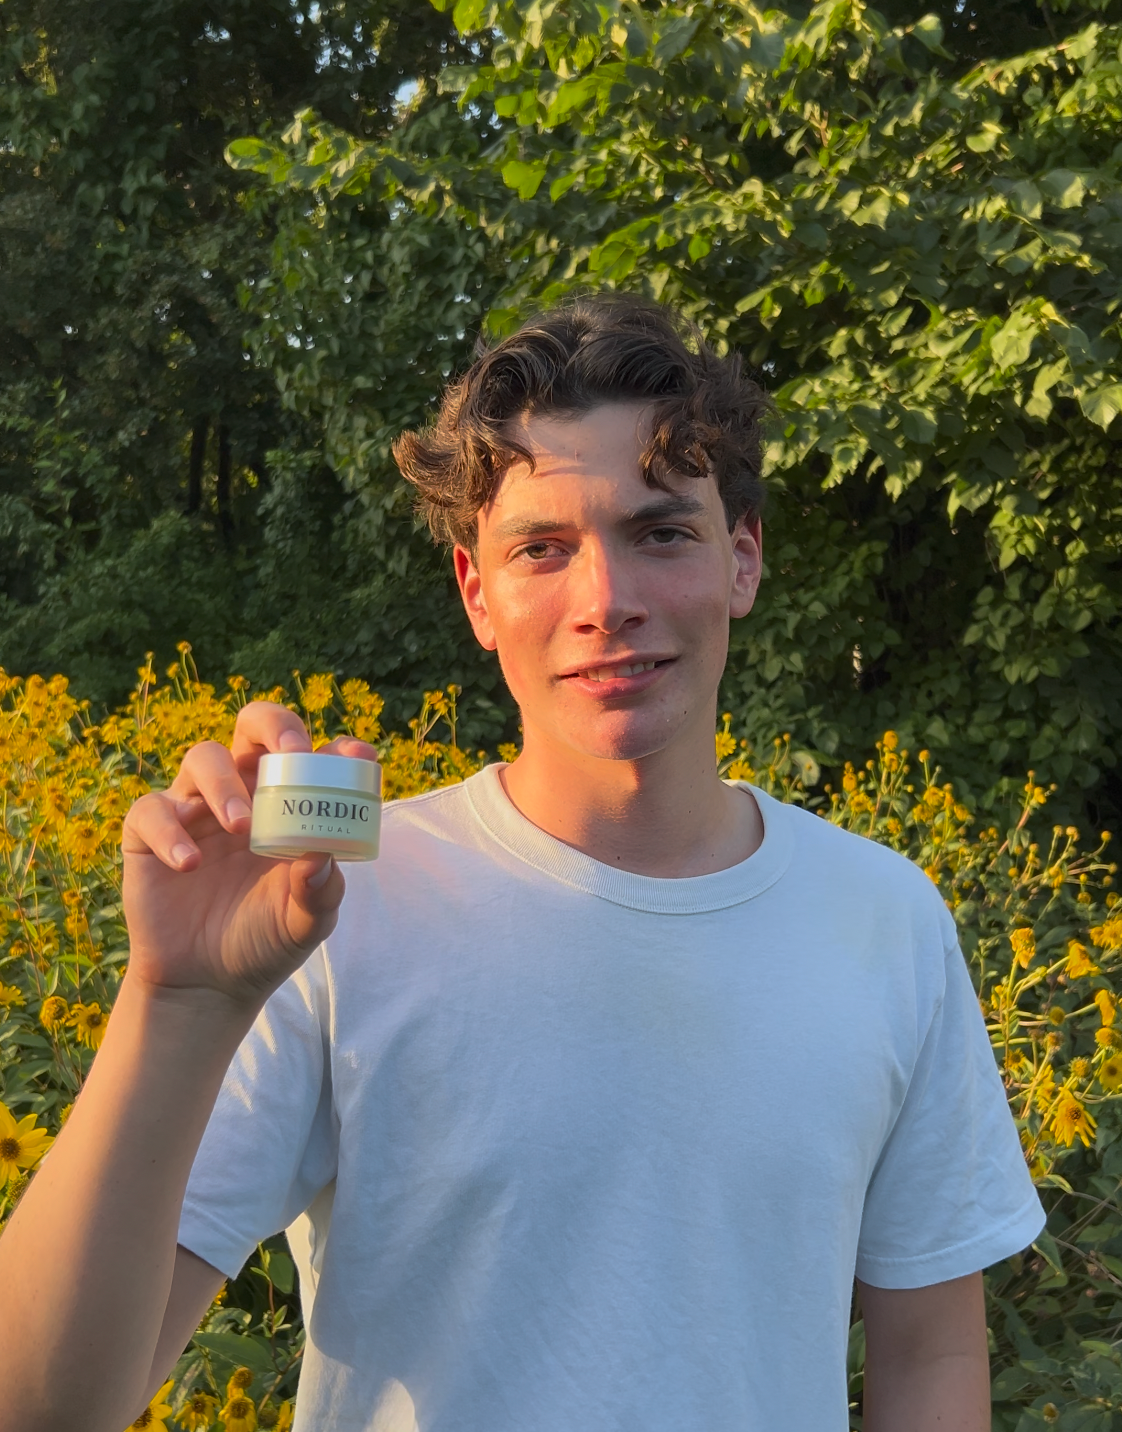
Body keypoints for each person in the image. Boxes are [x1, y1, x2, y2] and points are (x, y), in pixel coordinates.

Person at [0, 296, 1043, 1432]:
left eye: (661, 533)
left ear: (742, 560)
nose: (607, 603)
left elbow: (934, 1356)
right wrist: (179, 1001)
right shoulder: (327, 909)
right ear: (477, 594)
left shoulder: (884, 918)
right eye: (542, 549)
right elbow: (42, 1408)